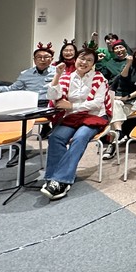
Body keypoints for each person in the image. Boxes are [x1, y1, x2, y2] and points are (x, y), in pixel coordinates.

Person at [42, 49, 110, 201]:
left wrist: (72, 106)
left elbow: (97, 103)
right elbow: (52, 96)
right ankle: (54, 178)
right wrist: (57, 75)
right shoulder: (67, 77)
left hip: (93, 116)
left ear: (93, 64)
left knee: (79, 138)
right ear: (76, 59)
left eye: (89, 60)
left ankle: (60, 180)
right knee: (55, 138)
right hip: (72, 117)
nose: (84, 62)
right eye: (82, 58)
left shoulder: (99, 78)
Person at [0, 42, 57, 164]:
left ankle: (54, 146)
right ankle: (20, 151)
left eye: (46, 57)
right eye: (39, 57)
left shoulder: (57, 72)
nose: (42, 60)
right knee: (18, 121)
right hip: (30, 104)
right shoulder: (26, 74)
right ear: (34, 59)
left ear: (51, 59)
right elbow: (12, 89)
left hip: (49, 103)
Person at [102, 45, 136, 159]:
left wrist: (128, 97)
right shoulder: (127, 66)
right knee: (116, 106)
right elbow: (123, 78)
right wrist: (129, 64)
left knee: (114, 112)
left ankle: (113, 144)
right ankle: (118, 133)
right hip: (120, 98)